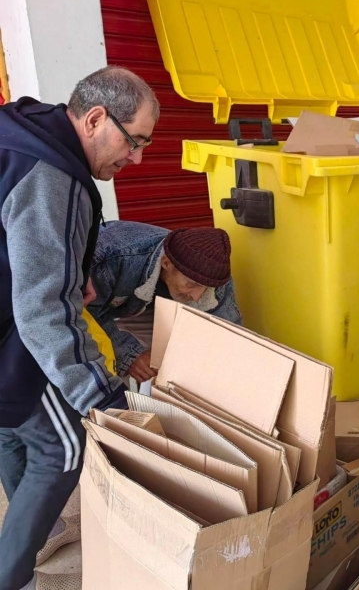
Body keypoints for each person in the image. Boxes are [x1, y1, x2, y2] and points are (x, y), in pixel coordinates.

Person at [0, 66, 158, 590]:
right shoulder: (54, 175)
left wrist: (72, 265)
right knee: (63, 446)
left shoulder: (26, 129)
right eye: (134, 141)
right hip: (7, 330)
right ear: (95, 118)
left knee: (8, 427)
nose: (136, 159)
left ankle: (33, 536)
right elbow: (45, 310)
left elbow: (24, 237)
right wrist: (100, 396)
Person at [88, 221, 242, 384]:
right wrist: (129, 354)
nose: (198, 296)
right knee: (119, 367)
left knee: (165, 364)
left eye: (205, 287)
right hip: (99, 303)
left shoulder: (212, 274)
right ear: (166, 263)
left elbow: (228, 335)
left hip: (147, 302)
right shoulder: (110, 257)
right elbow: (86, 314)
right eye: (192, 284)